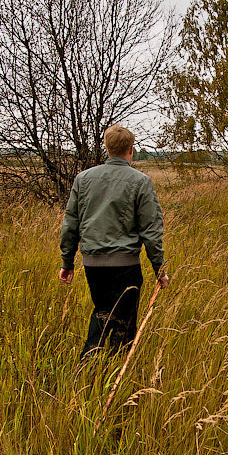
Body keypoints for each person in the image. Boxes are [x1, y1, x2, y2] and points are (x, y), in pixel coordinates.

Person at [59, 125, 169, 359]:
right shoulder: (141, 182)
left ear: (107, 149)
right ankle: (110, 368)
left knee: (102, 312)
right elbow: (151, 230)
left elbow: (71, 223)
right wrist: (159, 269)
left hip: (93, 265)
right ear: (131, 150)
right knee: (124, 323)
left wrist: (67, 262)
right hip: (125, 266)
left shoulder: (83, 179)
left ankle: (91, 368)